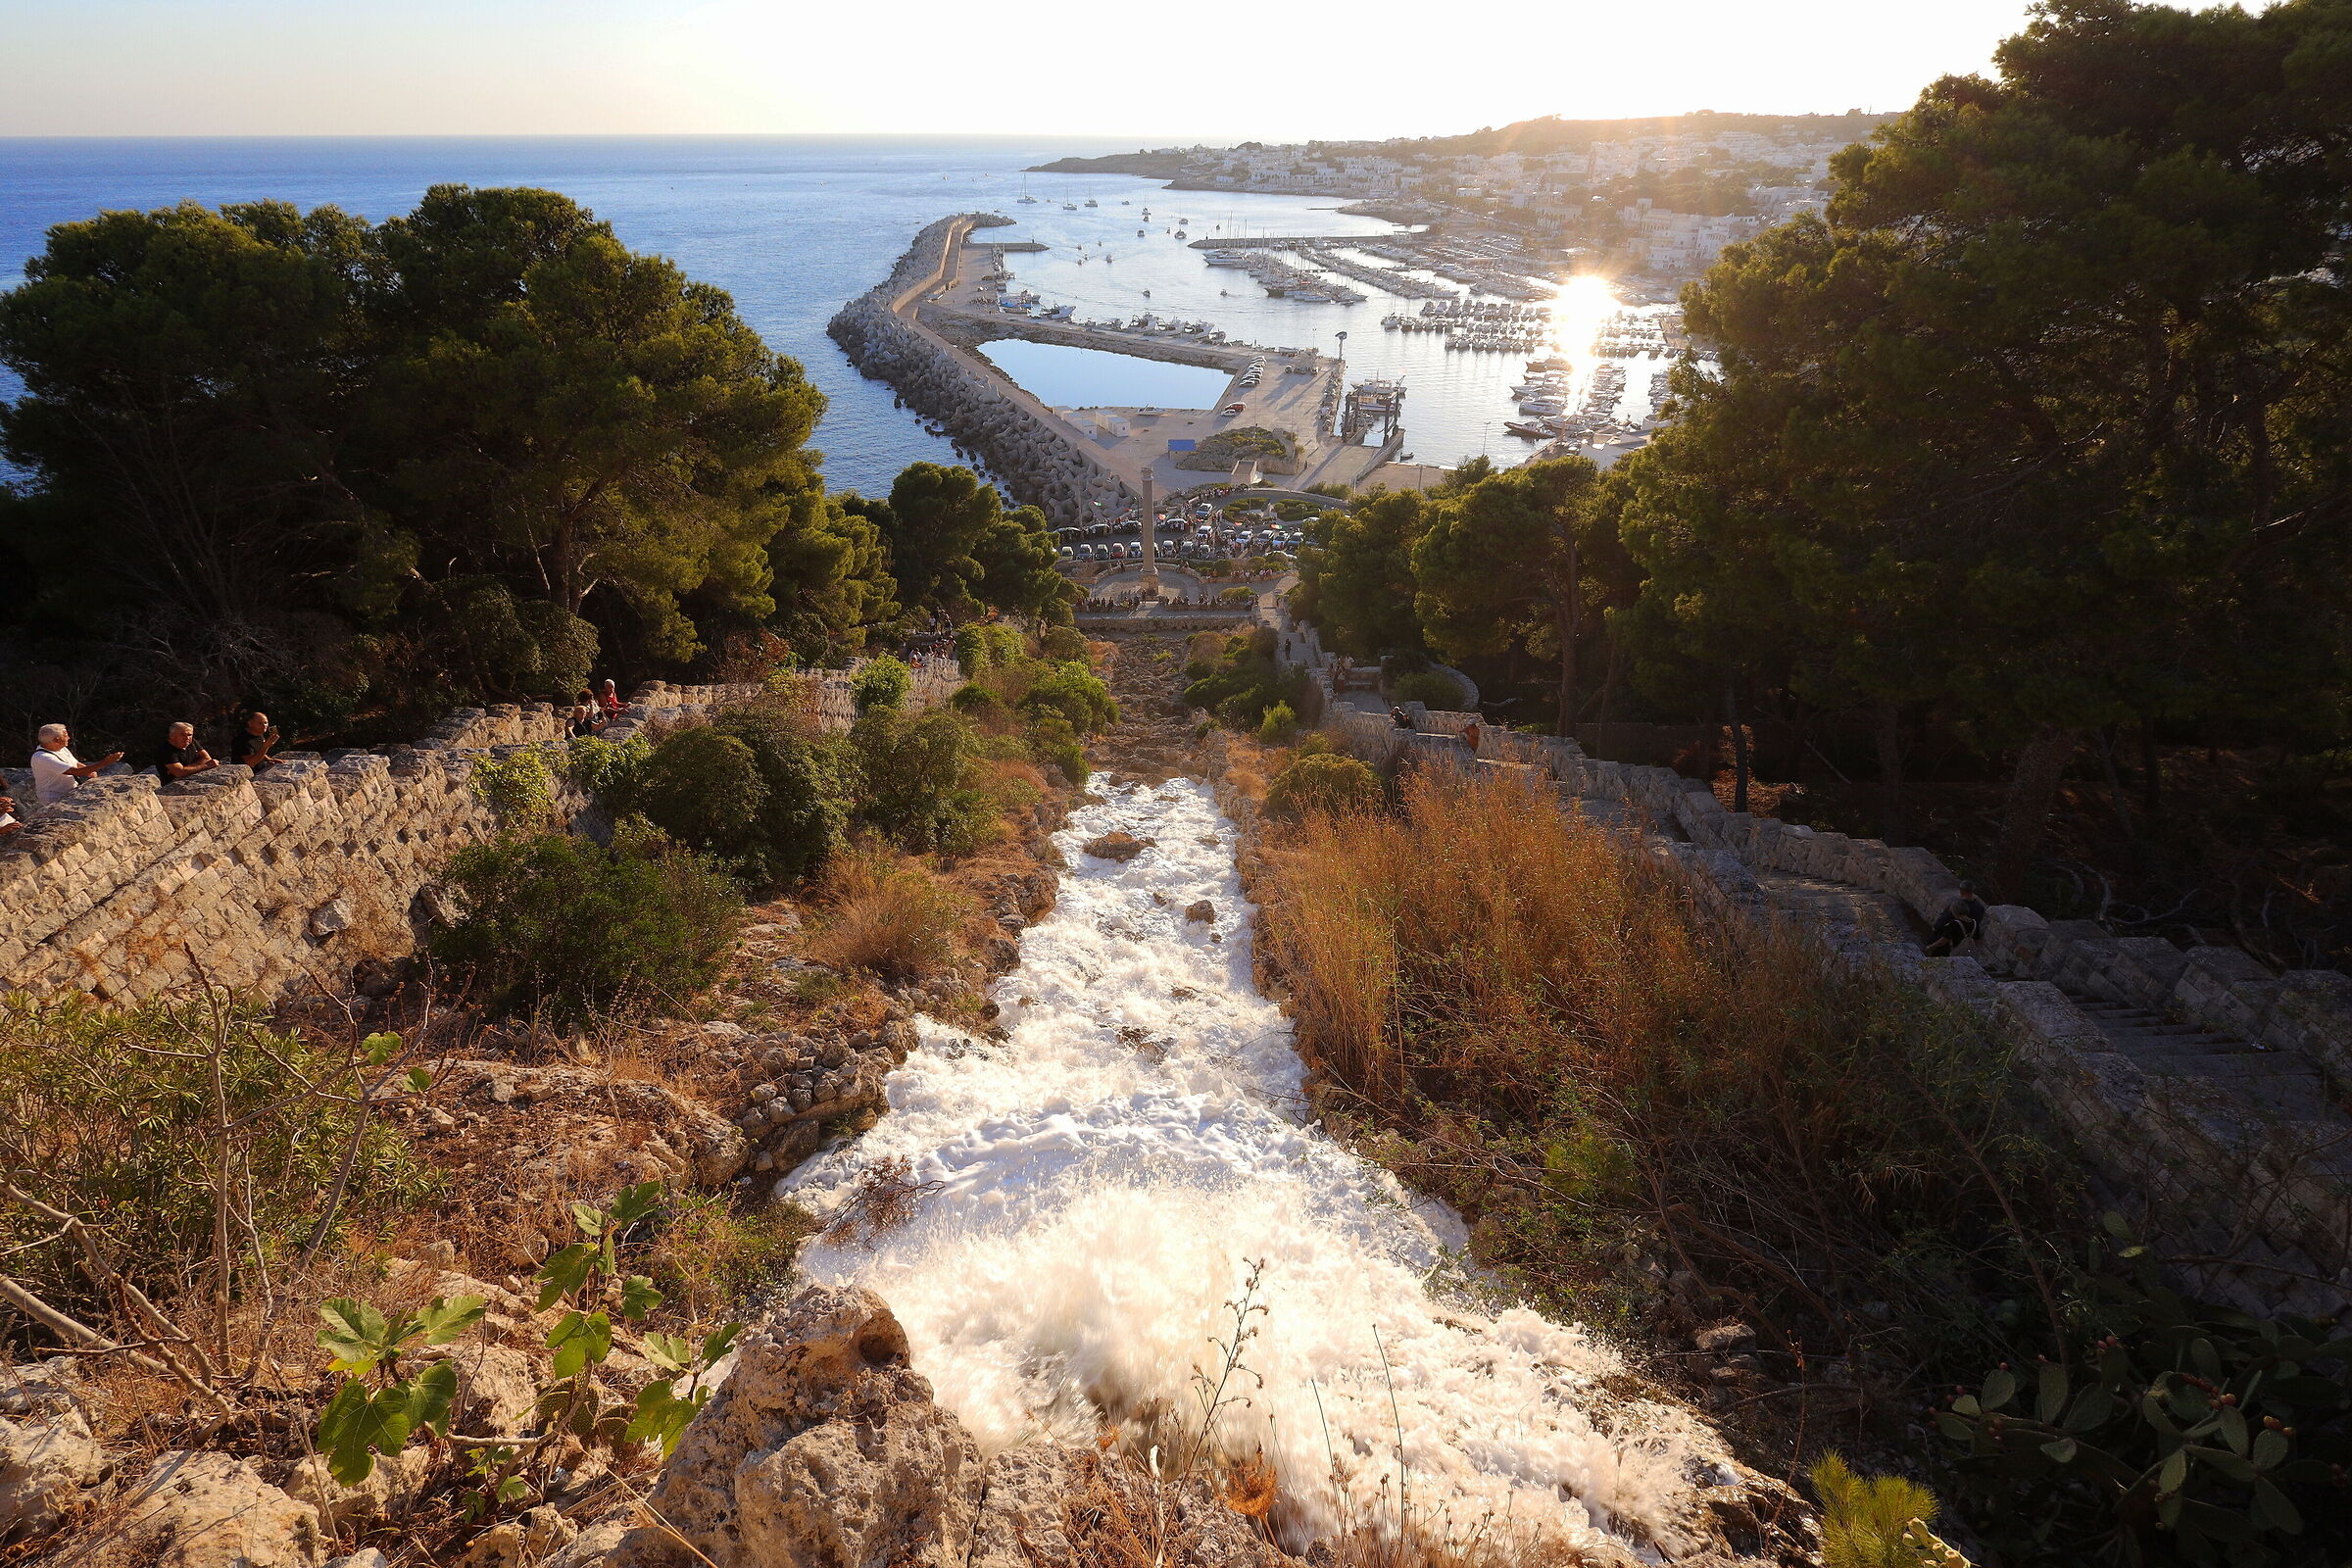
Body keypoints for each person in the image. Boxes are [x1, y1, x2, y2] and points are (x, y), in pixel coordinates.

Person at [30, 723, 122, 806]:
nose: (68, 738)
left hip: (70, 793)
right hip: (55, 798)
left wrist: (90, 772)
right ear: (56, 739)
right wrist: (106, 762)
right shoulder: (42, 757)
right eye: (65, 736)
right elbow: (76, 772)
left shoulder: (61, 749)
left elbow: (75, 764)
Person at [1924, 883, 1990, 956]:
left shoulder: (1956, 907)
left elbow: (1943, 930)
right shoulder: (1979, 909)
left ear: (1962, 891)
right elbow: (1977, 939)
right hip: (1960, 948)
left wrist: (1930, 946)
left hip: (1946, 944)